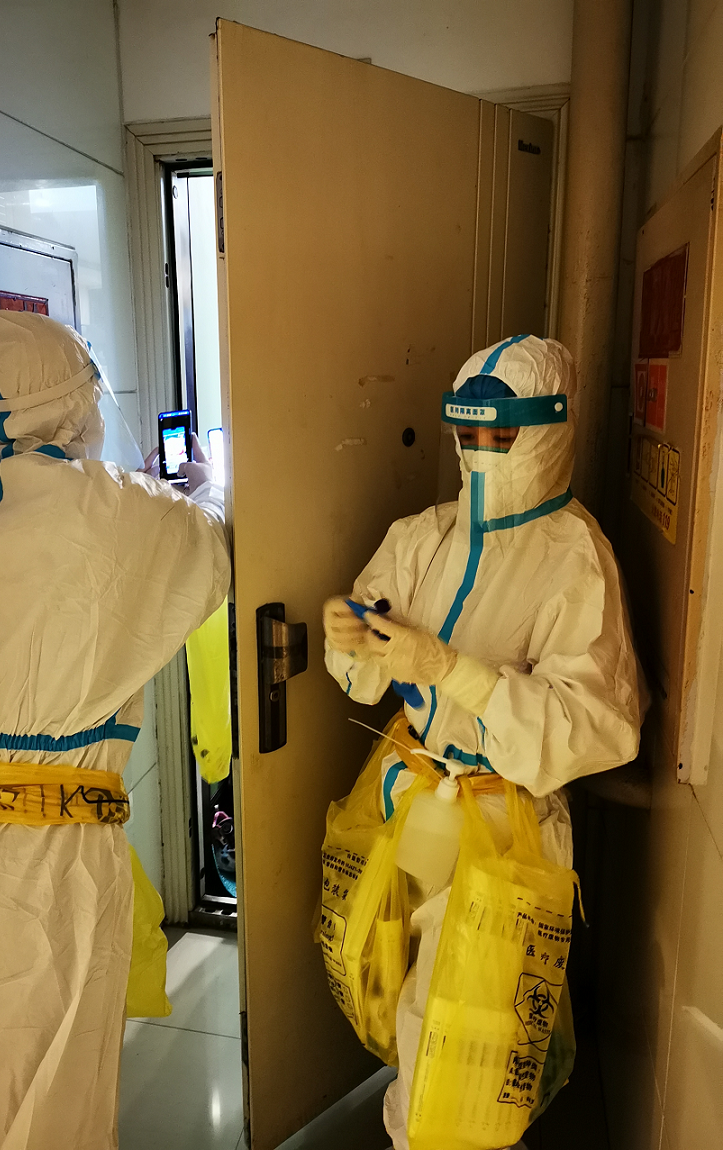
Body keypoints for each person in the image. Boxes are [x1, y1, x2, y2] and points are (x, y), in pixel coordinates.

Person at [0, 310, 230, 1150]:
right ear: (78, 401)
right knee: (48, 1099)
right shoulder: (118, 506)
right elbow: (207, 548)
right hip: (43, 857)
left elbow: (57, 554)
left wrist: (134, 498)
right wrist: (202, 486)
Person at [323, 334, 641, 1150]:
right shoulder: (421, 536)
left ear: (549, 431)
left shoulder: (575, 558)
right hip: (411, 797)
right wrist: (349, 637)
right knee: (405, 1003)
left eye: (502, 433)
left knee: (468, 1049)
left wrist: (454, 673)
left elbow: (595, 726)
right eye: (468, 432)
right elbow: (359, 667)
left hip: (504, 826)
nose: (481, 450)